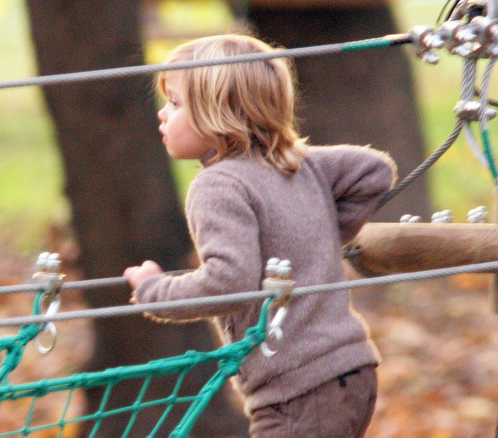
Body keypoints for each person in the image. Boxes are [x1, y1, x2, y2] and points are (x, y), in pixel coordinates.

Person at [123, 34, 397, 437]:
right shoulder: (295, 166)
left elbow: (228, 282)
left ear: (218, 112)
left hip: (300, 390)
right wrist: (311, 239)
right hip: (349, 371)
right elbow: (374, 171)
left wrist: (153, 290)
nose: (163, 115)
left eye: (176, 104)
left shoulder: (217, 185)